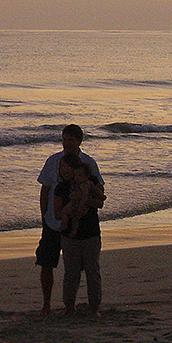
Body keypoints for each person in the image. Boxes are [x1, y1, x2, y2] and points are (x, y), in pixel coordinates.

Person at [35, 124, 103, 315]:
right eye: (64, 139)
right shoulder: (53, 161)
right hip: (53, 220)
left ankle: (87, 305)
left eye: (71, 139)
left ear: (79, 141)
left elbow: (99, 191)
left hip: (81, 223)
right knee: (46, 261)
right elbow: (45, 189)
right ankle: (46, 304)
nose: (66, 143)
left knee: (82, 267)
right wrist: (44, 215)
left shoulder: (88, 163)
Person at [54, 153, 104, 317]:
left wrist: (85, 199)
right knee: (71, 272)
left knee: (92, 271)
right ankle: (69, 306)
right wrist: (72, 207)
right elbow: (56, 213)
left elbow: (100, 202)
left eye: (68, 167)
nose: (65, 171)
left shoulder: (91, 181)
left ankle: (94, 307)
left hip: (91, 232)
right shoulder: (61, 187)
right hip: (70, 236)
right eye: (62, 168)